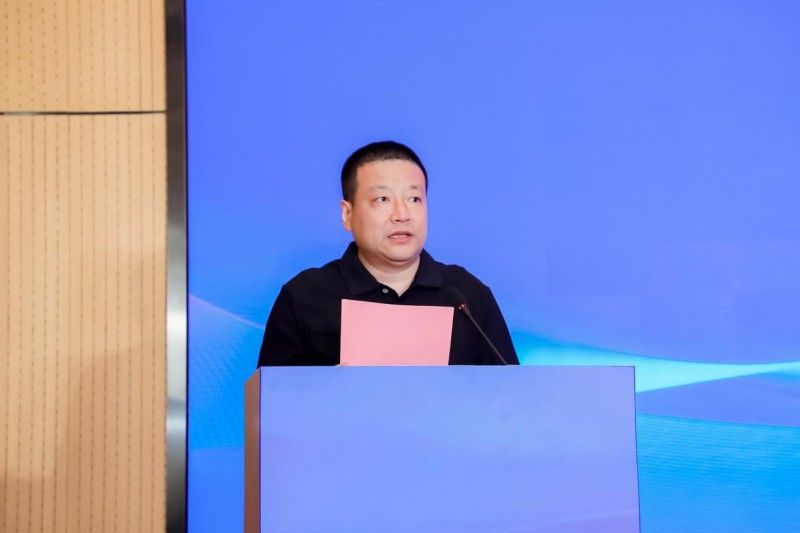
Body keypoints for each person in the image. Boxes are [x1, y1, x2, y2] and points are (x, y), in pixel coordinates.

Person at [258, 141, 518, 366]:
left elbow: (513, 397)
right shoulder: (305, 296)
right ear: (347, 214)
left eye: (414, 199)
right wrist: (327, 390)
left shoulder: (466, 295)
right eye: (382, 199)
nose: (402, 215)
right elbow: (268, 402)